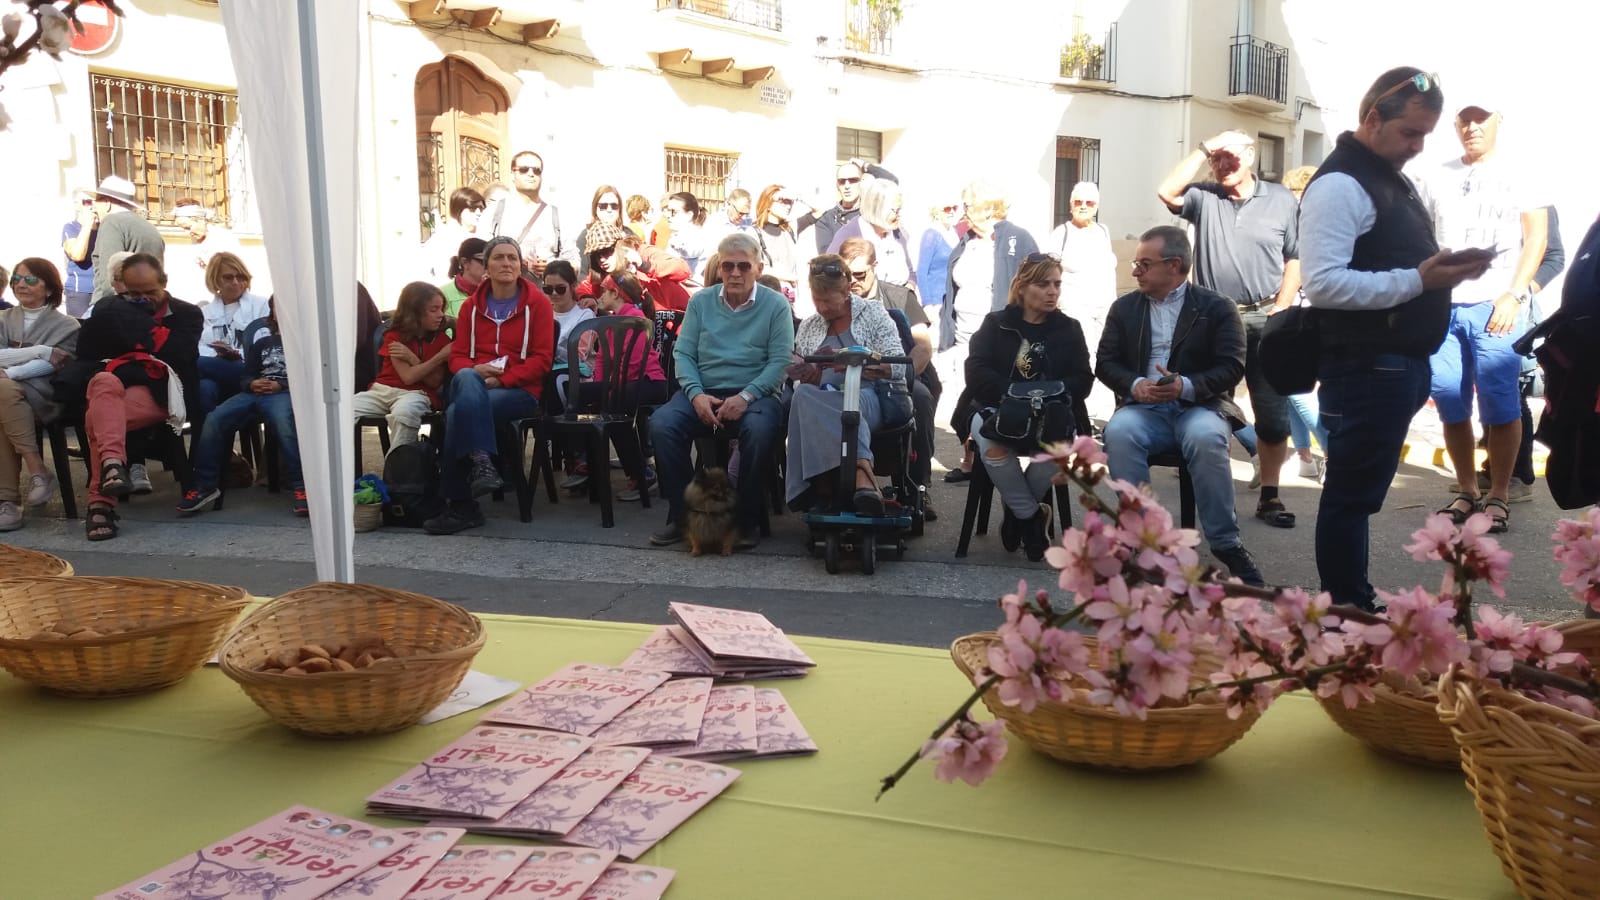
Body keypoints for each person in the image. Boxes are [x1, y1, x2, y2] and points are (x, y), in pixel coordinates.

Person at [1299, 66, 1493, 611]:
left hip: (1393, 363)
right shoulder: (1341, 183)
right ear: (1372, 118)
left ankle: (1351, 603)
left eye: (1425, 136)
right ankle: (1346, 608)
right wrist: (1419, 279)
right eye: (1410, 133)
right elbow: (1324, 283)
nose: (1417, 147)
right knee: (1349, 499)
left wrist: (1445, 271)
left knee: (1356, 498)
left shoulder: (1385, 175)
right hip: (1367, 365)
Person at [1097, 227, 1264, 586]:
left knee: (1205, 437)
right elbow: (1105, 362)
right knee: (1120, 432)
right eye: (1136, 263)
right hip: (1143, 409)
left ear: (1174, 265)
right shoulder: (1124, 308)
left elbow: (1232, 366)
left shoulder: (1217, 308)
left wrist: (1184, 386)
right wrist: (1134, 384)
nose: (1135, 271)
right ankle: (1138, 541)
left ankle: (1226, 543)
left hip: (1199, 406)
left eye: (1144, 263)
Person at [1414, 92, 1547, 534]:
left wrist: (1514, 295)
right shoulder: (1435, 175)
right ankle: (1467, 488)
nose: (1472, 126)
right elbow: (1420, 237)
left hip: (1495, 305)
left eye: (1480, 118)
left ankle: (1500, 494)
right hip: (1443, 306)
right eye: (1464, 119)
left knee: (1499, 402)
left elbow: (1537, 239)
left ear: (1497, 122)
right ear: (1454, 125)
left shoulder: (1521, 173)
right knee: (1450, 399)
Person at [1158, 129, 1302, 530]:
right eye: (1216, 159)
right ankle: (1209, 490)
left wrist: (1284, 306)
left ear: (1250, 157)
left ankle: (1271, 495)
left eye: (1230, 158)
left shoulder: (1280, 199)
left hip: (1265, 315)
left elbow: (1295, 256)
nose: (1222, 165)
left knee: (1273, 413)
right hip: (1213, 316)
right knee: (1205, 401)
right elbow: (1167, 191)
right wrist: (1206, 146)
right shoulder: (1204, 196)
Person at [647, 233, 791, 550]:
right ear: (719, 266)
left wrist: (746, 397)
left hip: (755, 395)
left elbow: (780, 361)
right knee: (662, 424)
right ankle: (684, 517)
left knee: (760, 427)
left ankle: (745, 521)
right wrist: (696, 394)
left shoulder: (775, 305)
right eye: (728, 266)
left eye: (744, 266)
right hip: (704, 390)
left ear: (758, 267)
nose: (735, 273)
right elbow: (683, 354)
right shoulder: (701, 302)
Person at [54, 253, 202, 541]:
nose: (144, 299)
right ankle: (112, 467)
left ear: (165, 282)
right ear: (122, 286)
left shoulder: (186, 313)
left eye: (150, 292)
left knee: (97, 419)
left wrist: (137, 327)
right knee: (102, 381)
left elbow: (181, 354)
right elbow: (89, 354)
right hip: (115, 390)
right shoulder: (110, 310)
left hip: (165, 392)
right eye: (134, 293)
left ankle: (101, 502)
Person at [967, 253, 1094, 561]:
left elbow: (1083, 379)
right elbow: (976, 372)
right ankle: (1033, 520)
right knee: (993, 446)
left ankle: (1017, 516)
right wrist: (1013, 394)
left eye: (1057, 284)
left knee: (1058, 446)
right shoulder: (996, 324)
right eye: (1043, 284)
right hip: (997, 409)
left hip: (1053, 414)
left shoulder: (1069, 328)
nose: (1053, 291)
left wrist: (1052, 394)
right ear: (1022, 288)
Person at [426, 236, 555, 535]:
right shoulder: (471, 307)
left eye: (512, 257)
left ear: (521, 266)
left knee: (458, 413)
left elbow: (542, 360)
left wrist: (503, 379)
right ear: (486, 266)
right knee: (467, 378)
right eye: (499, 257)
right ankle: (481, 462)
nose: (506, 263)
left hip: (518, 391)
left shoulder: (538, 305)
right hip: (474, 382)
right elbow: (457, 356)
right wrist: (474, 370)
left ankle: (462, 502)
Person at [784, 254, 909, 515]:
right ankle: (858, 480)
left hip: (869, 394)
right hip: (822, 398)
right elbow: (807, 374)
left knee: (844, 403)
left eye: (828, 301)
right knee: (804, 394)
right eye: (817, 300)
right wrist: (809, 374)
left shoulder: (873, 313)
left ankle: (831, 485)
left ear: (846, 291)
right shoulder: (809, 325)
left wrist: (857, 364)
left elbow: (898, 365)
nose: (822, 308)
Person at [940, 180, 1039, 483]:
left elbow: (1035, 281)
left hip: (1002, 338)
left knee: (986, 396)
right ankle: (969, 459)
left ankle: (996, 455)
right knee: (964, 396)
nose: (964, 212)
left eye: (969, 205)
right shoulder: (965, 241)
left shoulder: (1017, 238)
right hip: (964, 333)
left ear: (988, 208)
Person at [177, 297, 307, 516]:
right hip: (253, 393)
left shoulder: (306, 343)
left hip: (284, 393)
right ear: (272, 313)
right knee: (214, 419)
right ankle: (205, 486)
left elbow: (310, 376)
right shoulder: (262, 343)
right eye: (279, 309)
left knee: (283, 423)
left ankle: (302, 487)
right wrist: (252, 383)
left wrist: (281, 384)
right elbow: (247, 373)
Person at [840, 237, 938, 517]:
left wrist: (903, 376)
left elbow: (922, 346)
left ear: (875, 267)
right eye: (847, 275)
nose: (853, 282)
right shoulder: (835, 300)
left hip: (901, 376)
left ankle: (918, 484)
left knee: (918, 397)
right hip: (854, 379)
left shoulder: (899, 297)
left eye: (860, 274)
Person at [0, 259, 80, 529]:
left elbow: (55, 364)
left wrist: (10, 373)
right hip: (8, 396)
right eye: (17, 279)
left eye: (31, 280)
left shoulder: (67, 325)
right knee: (3, 397)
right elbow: (44, 357)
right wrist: (40, 350)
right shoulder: (3, 318)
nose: (21, 284)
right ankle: (38, 472)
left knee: (2, 391)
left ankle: (8, 502)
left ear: (48, 288)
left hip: (43, 393)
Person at [590, 272, 667, 503]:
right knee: (588, 398)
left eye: (604, 290)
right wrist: (598, 387)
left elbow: (634, 364)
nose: (600, 295)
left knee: (613, 405)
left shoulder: (634, 318)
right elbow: (603, 360)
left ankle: (640, 472)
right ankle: (586, 464)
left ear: (616, 293)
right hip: (626, 382)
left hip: (649, 381)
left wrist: (609, 389)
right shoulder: (612, 321)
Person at [1045, 181, 1118, 424]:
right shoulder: (1061, 233)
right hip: (1076, 307)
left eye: (1089, 203)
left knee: (1103, 355)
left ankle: (1098, 409)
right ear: (1070, 205)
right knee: (1082, 357)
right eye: (1079, 202)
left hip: (1103, 306)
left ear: (1097, 206)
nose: (1084, 206)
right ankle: (1082, 410)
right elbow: (1048, 273)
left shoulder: (1103, 231)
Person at [352, 281, 452, 448]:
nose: (440, 314)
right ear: (414, 312)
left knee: (404, 414)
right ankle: (340, 468)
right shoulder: (394, 336)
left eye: (441, 308)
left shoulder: (442, 341)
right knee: (341, 412)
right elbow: (408, 376)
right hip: (381, 391)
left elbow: (434, 382)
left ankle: (399, 469)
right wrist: (439, 358)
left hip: (417, 393)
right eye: (433, 310)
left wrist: (412, 358)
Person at [194, 252, 270, 418]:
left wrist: (236, 355)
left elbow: (266, 343)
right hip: (218, 372)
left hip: (251, 370)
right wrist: (219, 355)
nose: (236, 282)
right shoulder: (204, 312)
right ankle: (209, 443)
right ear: (215, 280)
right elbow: (198, 346)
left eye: (240, 277)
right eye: (228, 277)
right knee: (204, 390)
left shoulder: (261, 305)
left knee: (195, 363)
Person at [486, 150, 578, 278]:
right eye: (524, 169)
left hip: (545, 294)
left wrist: (553, 267)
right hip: (504, 293)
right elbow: (480, 254)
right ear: (513, 174)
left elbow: (574, 261)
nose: (531, 174)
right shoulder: (494, 211)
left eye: (536, 170)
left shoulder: (556, 214)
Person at [88, 176, 164, 307]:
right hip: (149, 307)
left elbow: (109, 280)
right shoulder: (149, 227)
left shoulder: (112, 223)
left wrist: (101, 309)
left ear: (107, 203)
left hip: (117, 309)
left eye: (96, 201)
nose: (93, 208)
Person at [826, 179, 914, 291]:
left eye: (899, 210)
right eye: (895, 211)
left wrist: (908, 289)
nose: (899, 215)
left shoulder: (897, 232)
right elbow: (829, 275)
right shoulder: (849, 233)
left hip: (899, 301)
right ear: (877, 209)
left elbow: (911, 271)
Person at [796, 159, 898, 255]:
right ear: (837, 185)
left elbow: (892, 183)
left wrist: (865, 166)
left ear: (861, 182)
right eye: (842, 181)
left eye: (853, 180)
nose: (847, 186)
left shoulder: (870, 212)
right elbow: (827, 257)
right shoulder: (827, 219)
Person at [421, 187, 485, 282]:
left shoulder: (485, 234)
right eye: (473, 209)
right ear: (459, 209)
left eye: (481, 208)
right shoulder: (444, 237)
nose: (478, 213)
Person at [915, 198, 961, 320]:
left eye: (954, 208)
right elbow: (921, 271)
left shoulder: (954, 232)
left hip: (953, 298)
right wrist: (927, 303)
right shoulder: (931, 234)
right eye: (947, 209)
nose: (951, 211)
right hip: (936, 301)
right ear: (936, 212)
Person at [753, 185, 800, 298]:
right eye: (783, 201)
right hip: (766, 296)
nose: (788, 206)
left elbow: (819, 211)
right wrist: (788, 277)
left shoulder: (789, 230)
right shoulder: (754, 232)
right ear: (768, 202)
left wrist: (796, 197)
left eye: (790, 202)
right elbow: (754, 267)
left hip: (790, 297)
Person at [574, 185, 625, 279]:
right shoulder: (585, 236)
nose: (609, 210)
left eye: (614, 206)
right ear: (595, 209)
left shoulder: (628, 234)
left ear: (620, 209)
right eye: (603, 206)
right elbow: (582, 275)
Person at [60, 190, 97, 317]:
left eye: (95, 201)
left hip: (103, 291)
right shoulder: (70, 228)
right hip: (80, 291)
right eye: (87, 202)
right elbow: (77, 254)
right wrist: (87, 224)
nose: (92, 205)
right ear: (77, 205)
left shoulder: (105, 228)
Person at [664, 192, 709, 282]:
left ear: (689, 215)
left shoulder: (697, 235)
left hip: (692, 289)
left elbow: (691, 251)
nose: (668, 216)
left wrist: (679, 246)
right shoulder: (676, 235)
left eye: (674, 212)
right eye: (667, 211)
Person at [440, 237, 488, 317]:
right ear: (465, 262)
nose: (489, 266)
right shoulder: (442, 294)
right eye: (484, 262)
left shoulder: (497, 293)